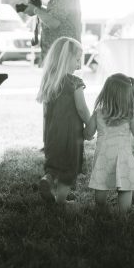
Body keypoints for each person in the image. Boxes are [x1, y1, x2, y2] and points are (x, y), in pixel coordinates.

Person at [84, 73, 134, 212]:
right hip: (123, 156)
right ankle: (123, 213)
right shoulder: (129, 114)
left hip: (103, 156)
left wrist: (85, 132)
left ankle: (101, 207)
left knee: (101, 183)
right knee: (125, 185)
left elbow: (88, 133)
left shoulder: (99, 112)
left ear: (106, 93)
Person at [37, 37, 90, 205]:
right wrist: (90, 124)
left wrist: (46, 137)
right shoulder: (75, 82)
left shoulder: (49, 81)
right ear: (67, 59)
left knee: (54, 163)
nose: (79, 65)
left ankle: (48, 178)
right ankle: (61, 202)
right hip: (71, 133)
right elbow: (81, 108)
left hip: (52, 132)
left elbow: (46, 113)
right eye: (77, 59)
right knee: (69, 167)